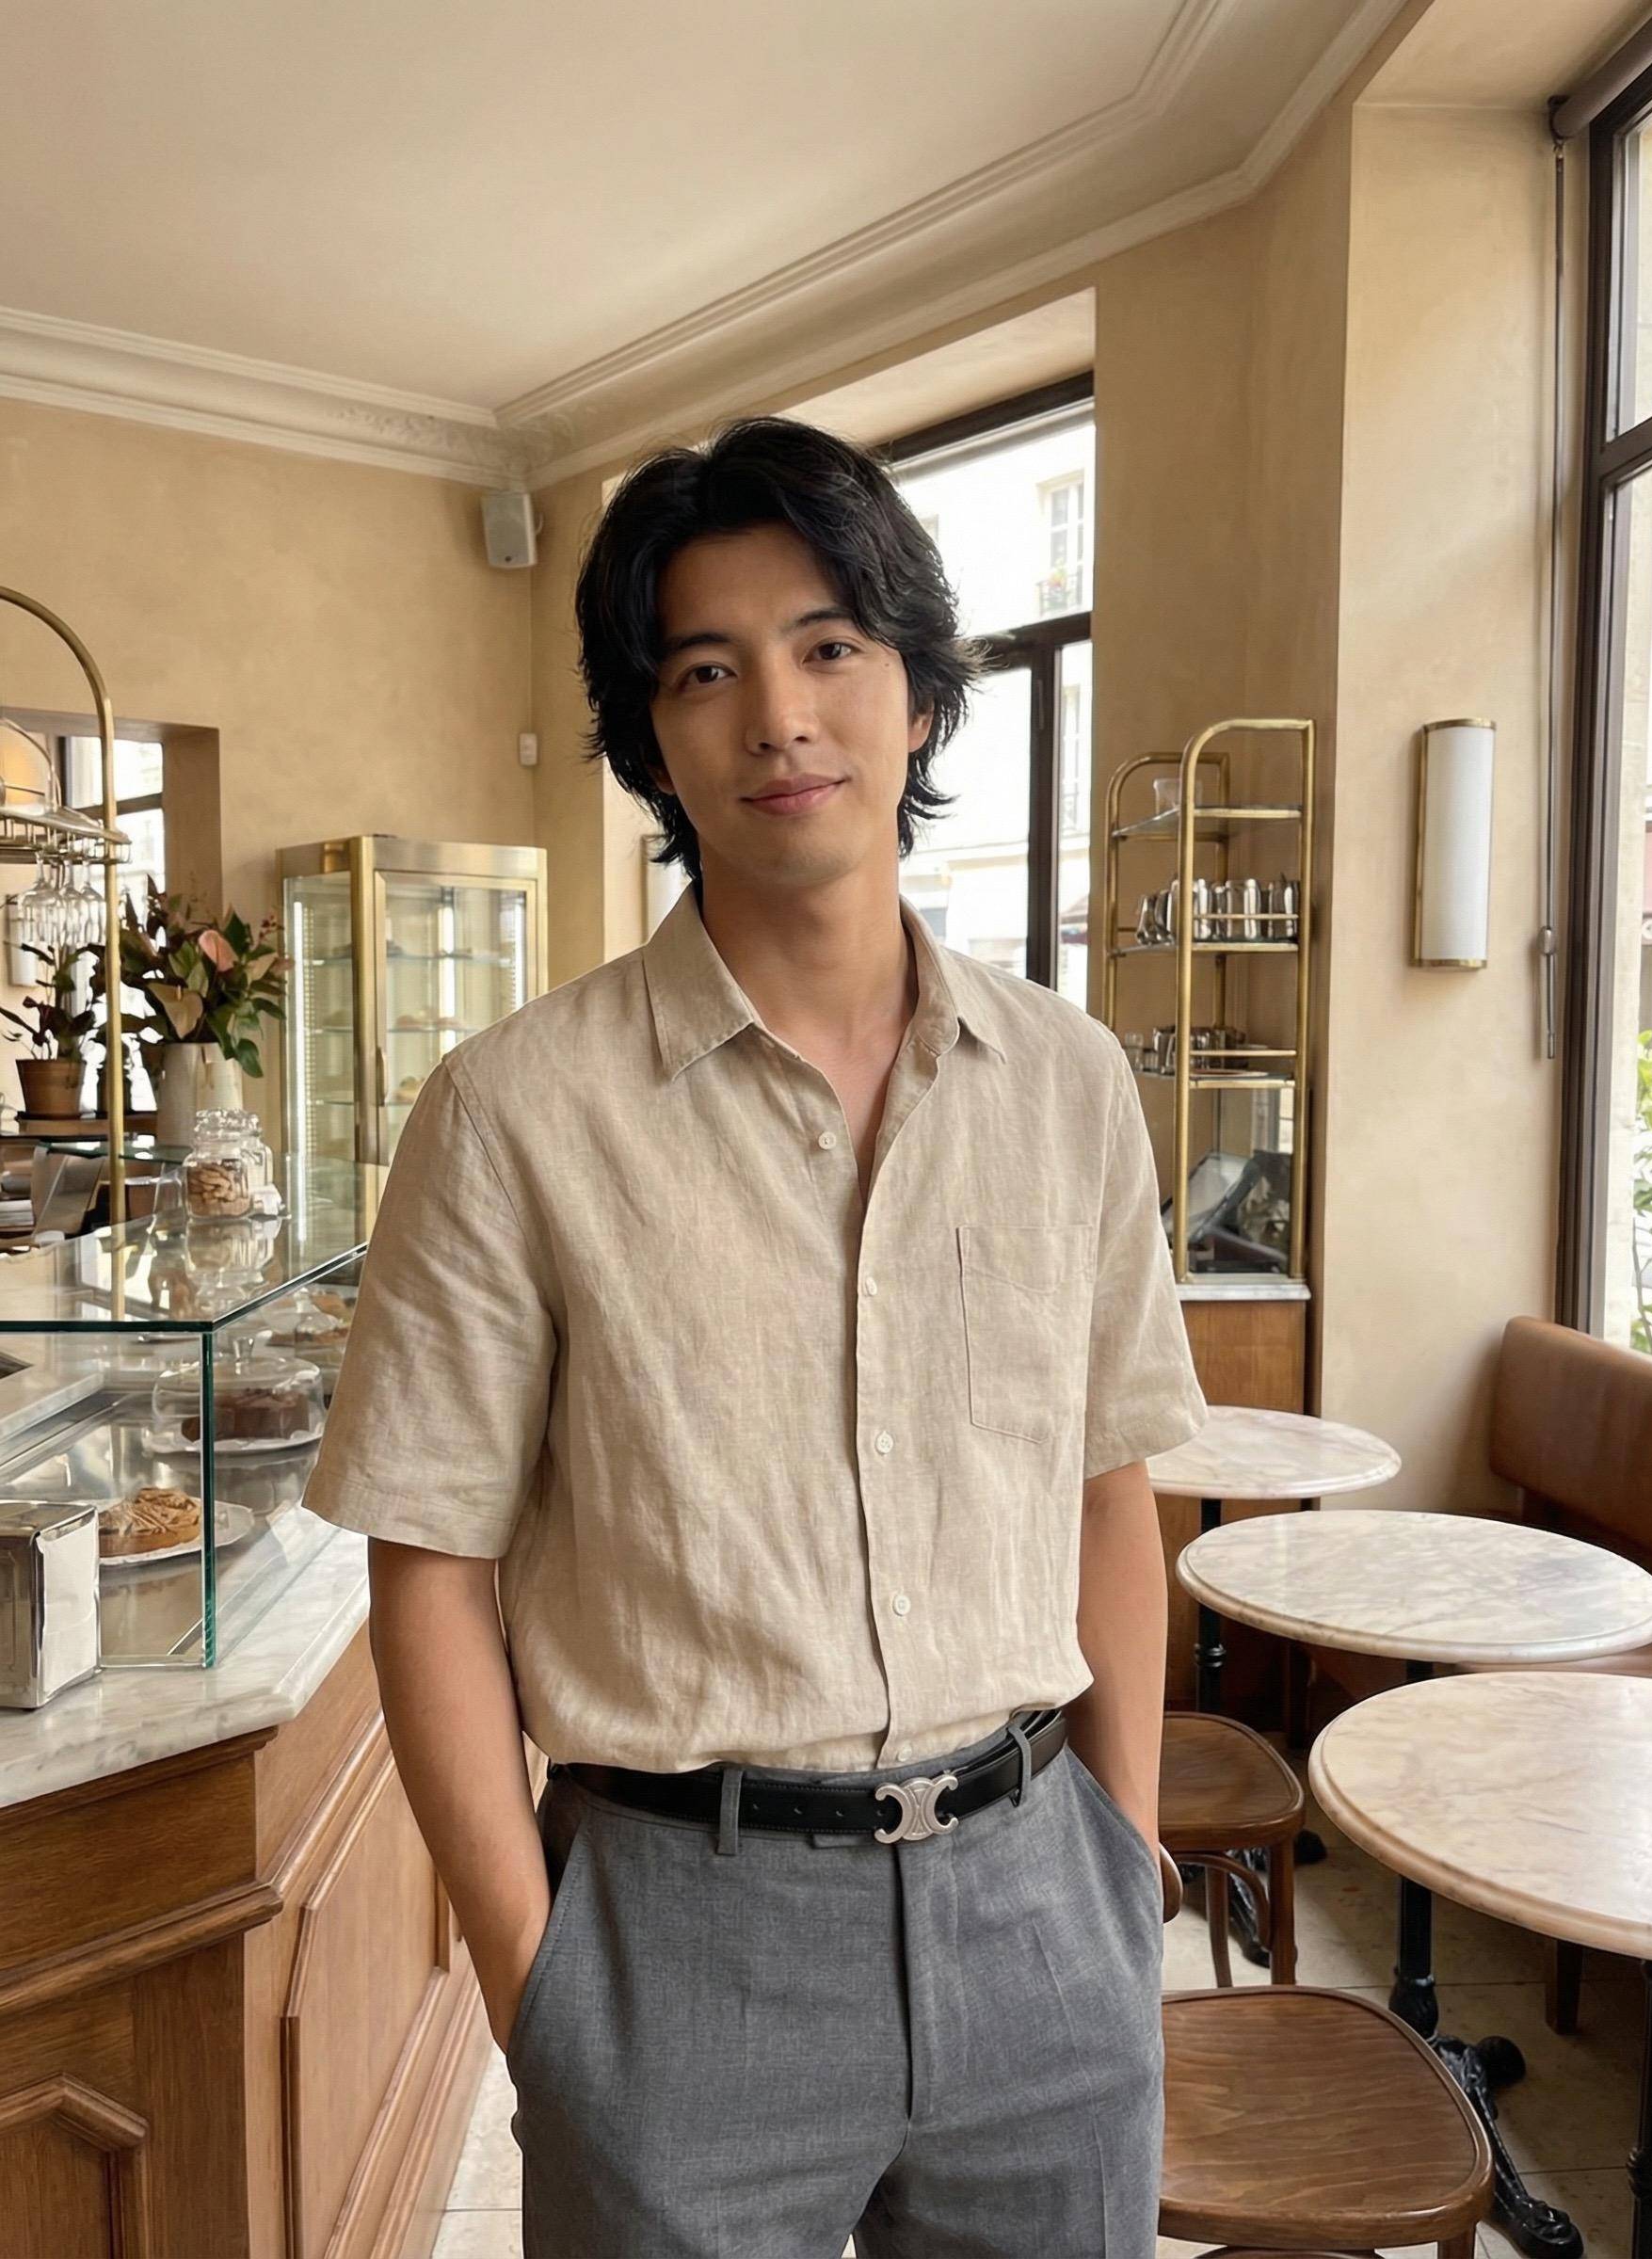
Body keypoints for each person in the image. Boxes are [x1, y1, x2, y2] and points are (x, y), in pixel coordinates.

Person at [301, 413, 1209, 2256]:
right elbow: (430, 1569)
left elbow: (1107, 1487)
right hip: (677, 1933)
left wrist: (1118, 1858)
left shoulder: (1067, 1084)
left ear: (921, 695)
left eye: (829, 647)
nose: (779, 717)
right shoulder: (515, 1112)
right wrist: (537, 1991)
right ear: (650, 739)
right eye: (705, 671)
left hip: (1039, 1905)